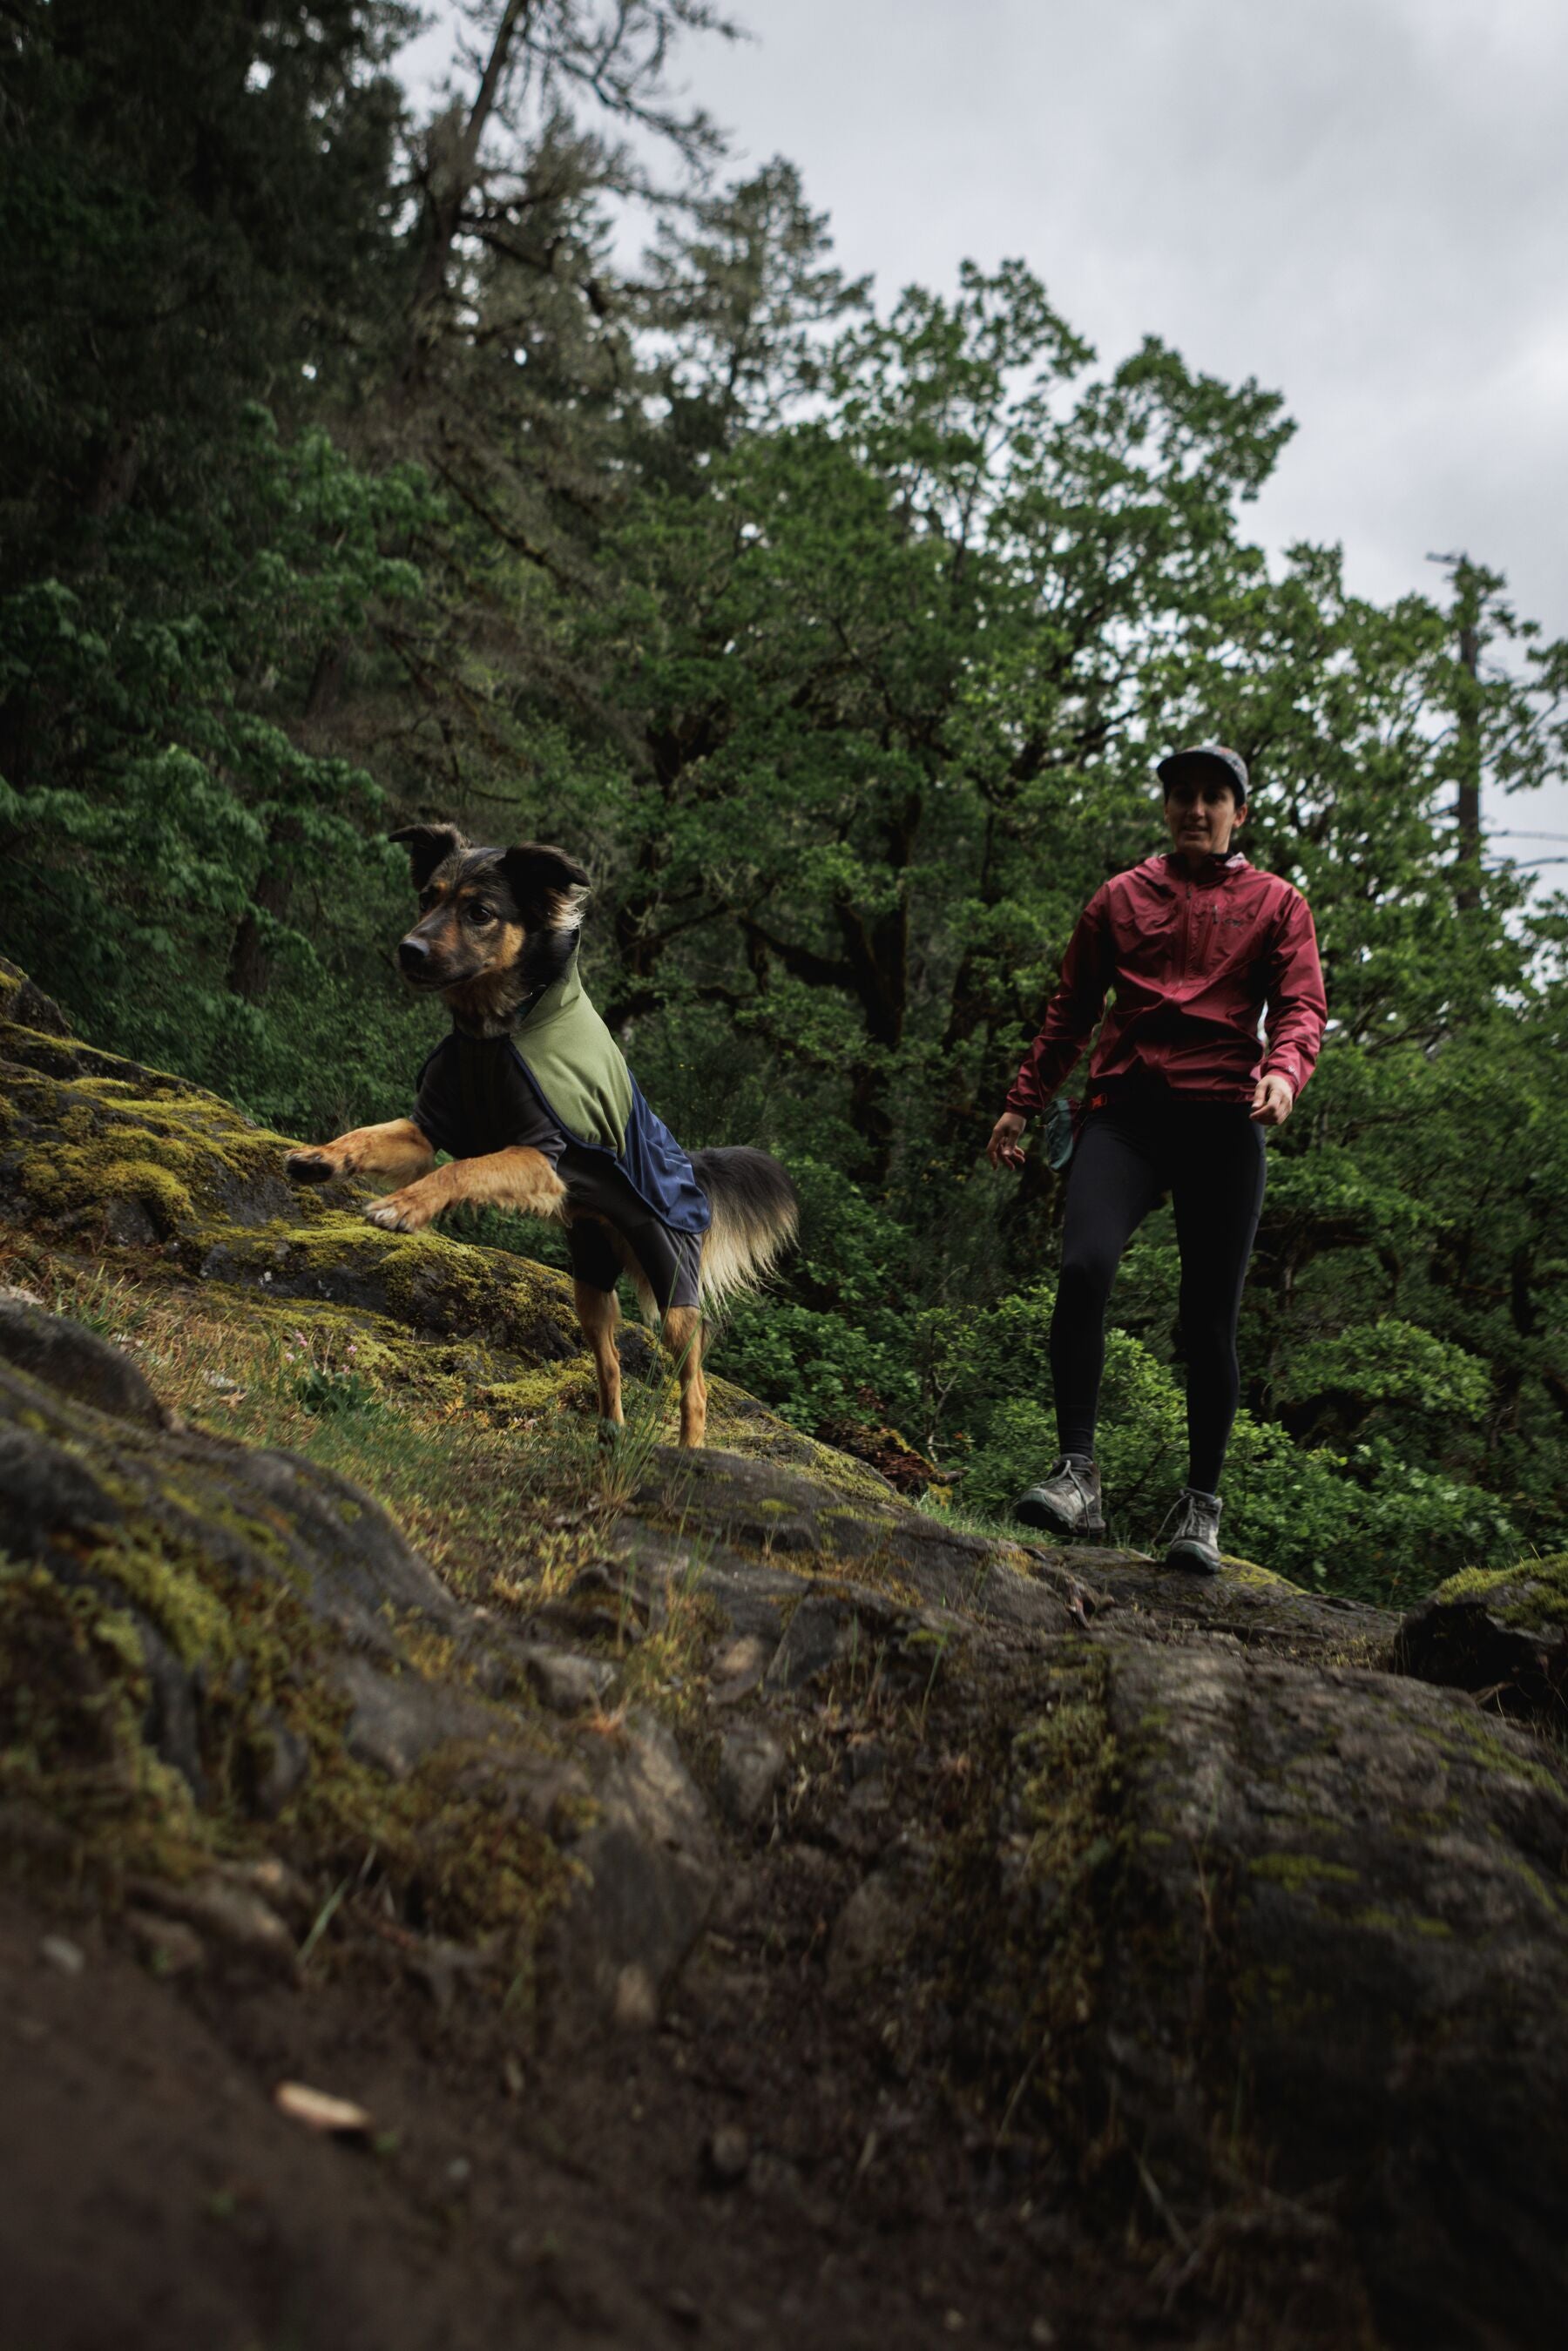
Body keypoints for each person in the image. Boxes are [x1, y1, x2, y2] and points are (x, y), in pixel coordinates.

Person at [985, 745, 1327, 1573]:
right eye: (1182, 794)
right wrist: (1022, 1102)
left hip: (1223, 1119)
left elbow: (1302, 1005)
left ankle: (1200, 1510)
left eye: (1214, 796)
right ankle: (1077, 1475)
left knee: (1207, 1318)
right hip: (1126, 1117)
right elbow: (1070, 1010)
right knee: (1084, 1268)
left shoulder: (1277, 903)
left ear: (1238, 814)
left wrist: (1284, 1072)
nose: (1196, 809)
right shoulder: (1120, 898)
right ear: (1166, 807)